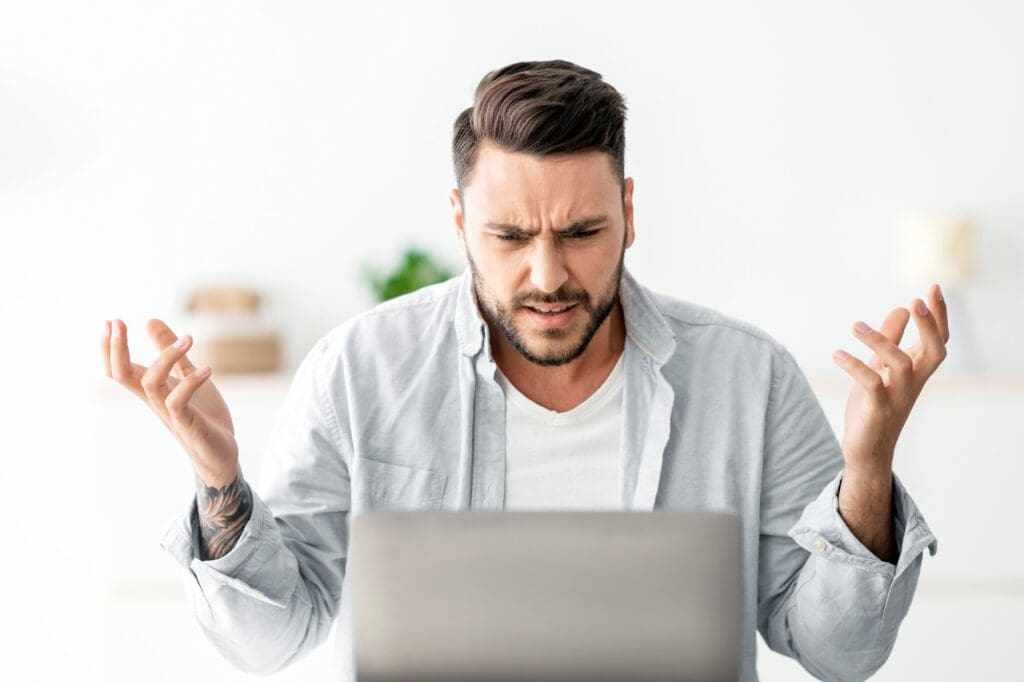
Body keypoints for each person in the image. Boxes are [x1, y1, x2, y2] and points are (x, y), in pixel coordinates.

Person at [101, 59, 946, 681]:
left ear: (628, 213)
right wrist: (220, 482)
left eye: (582, 232)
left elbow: (844, 653)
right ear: (461, 221)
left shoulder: (747, 378)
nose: (547, 275)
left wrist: (867, 472)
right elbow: (267, 642)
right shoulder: (360, 371)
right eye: (509, 237)